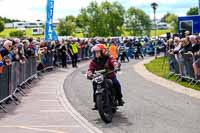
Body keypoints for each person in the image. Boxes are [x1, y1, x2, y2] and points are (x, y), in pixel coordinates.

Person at [87, 44, 124, 110]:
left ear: (102, 51)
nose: (96, 54)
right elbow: (90, 69)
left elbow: (114, 61)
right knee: (94, 84)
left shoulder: (109, 57)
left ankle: (119, 99)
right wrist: (89, 74)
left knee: (116, 83)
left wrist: (116, 66)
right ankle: (96, 102)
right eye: (95, 52)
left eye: (98, 52)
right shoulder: (93, 61)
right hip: (99, 77)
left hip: (110, 76)